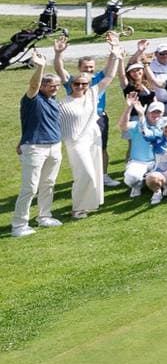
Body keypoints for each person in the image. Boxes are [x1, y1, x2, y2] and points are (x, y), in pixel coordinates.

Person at [53, 30, 123, 186]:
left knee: (102, 147)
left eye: (91, 67)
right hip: (79, 120)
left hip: (99, 117)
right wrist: (58, 54)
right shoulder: (73, 81)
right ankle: (83, 177)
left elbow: (111, 70)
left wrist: (115, 47)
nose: (89, 70)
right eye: (86, 68)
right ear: (79, 68)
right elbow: (59, 70)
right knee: (81, 149)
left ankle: (103, 176)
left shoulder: (98, 77)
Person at [12, 51, 64, 237]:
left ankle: (44, 216)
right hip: (35, 148)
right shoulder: (32, 98)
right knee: (30, 187)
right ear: (42, 85)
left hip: (54, 146)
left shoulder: (53, 100)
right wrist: (40, 67)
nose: (55, 88)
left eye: (57, 85)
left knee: (48, 183)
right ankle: (19, 225)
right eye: (51, 85)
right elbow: (33, 84)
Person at [57, 60, 107, 220]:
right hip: (75, 143)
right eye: (77, 84)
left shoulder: (92, 94)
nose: (80, 86)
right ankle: (77, 208)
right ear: (71, 84)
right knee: (85, 174)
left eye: (84, 84)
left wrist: (115, 54)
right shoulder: (62, 104)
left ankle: (87, 206)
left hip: (93, 139)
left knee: (95, 172)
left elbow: (110, 75)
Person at [121, 93, 167, 196]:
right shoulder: (137, 124)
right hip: (138, 162)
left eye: (158, 112)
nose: (156, 115)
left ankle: (152, 183)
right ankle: (138, 185)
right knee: (131, 178)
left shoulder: (166, 124)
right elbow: (123, 126)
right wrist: (128, 108)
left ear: (162, 114)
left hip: (157, 163)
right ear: (147, 113)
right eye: (153, 112)